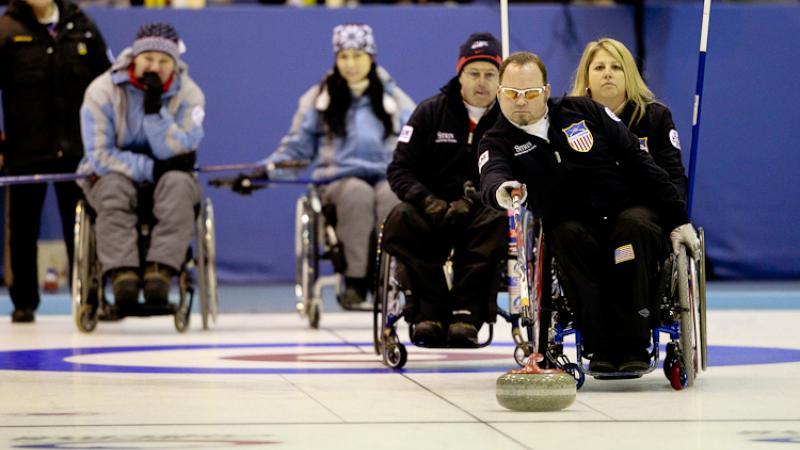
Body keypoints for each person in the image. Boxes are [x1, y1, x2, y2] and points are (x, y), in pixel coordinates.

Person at [479, 51, 700, 373]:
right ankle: (600, 348)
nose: (521, 102)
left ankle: (634, 344)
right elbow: (492, 174)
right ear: (500, 93)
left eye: (530, 93)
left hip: (627, 211)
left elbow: (640, 162)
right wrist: (501, 188)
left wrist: (679, 220)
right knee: (568, 238)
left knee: (631, 235)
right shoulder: (496, 140)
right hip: (571, 223)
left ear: (546, 90)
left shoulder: (583, 111)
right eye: (512, 94)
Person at [234, 23, 415, 308]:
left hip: (386, 177)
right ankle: (355, 281)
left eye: (358, 55)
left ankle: (389, 279)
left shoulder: (393, 97)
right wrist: (263, 173)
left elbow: (416, 141)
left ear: (371, 57)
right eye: (344, 57)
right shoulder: (319, 99)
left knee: (391, 197)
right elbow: (296, 150)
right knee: (357, 193)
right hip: (338, 182)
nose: (351, 64)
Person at [383, 32, 507, 347]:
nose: (481, 82)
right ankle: (429, 314)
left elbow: (514, 174)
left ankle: (467, 315)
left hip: (480, 210)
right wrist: (426, 200)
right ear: (459, 74)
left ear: (500, 79)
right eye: (474, 73)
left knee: (497, 217)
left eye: (490, 75)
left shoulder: (509, 121)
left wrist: (477, 199)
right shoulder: (429, 112)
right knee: (401, 218)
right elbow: (399, 169)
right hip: (432, 210)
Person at [77, 22, 205, 312]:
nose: (154, 68)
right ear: (135, 58)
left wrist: (153, 110)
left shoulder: (190, 95)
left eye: (163, 62)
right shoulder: (101, 91)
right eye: (148, 59)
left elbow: (179, 150)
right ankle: (123, 274)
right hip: (113, 174)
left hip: (167, 178)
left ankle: (160, 271)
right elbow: (99, 154)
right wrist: (152, 168)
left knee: (180, 186)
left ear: (175, 64)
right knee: (113, 188)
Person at [0, 0, 110, 323]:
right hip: (25, 151)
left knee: (83, 226)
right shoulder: (6, 30)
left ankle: (91, 297)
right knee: (22, 229)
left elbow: (106, 84)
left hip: (77, 151)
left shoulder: (83, 26)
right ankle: (23, 302)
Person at [571, 37, 687, 200]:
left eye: (617, 67)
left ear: (629, 76)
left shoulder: (656, 117)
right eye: (599, 67)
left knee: (634, 221)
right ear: (586, 77)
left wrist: (678, 220)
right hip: (589, 212)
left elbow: (674, 178)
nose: (607, 74)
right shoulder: (569, 119)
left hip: (642, 209)